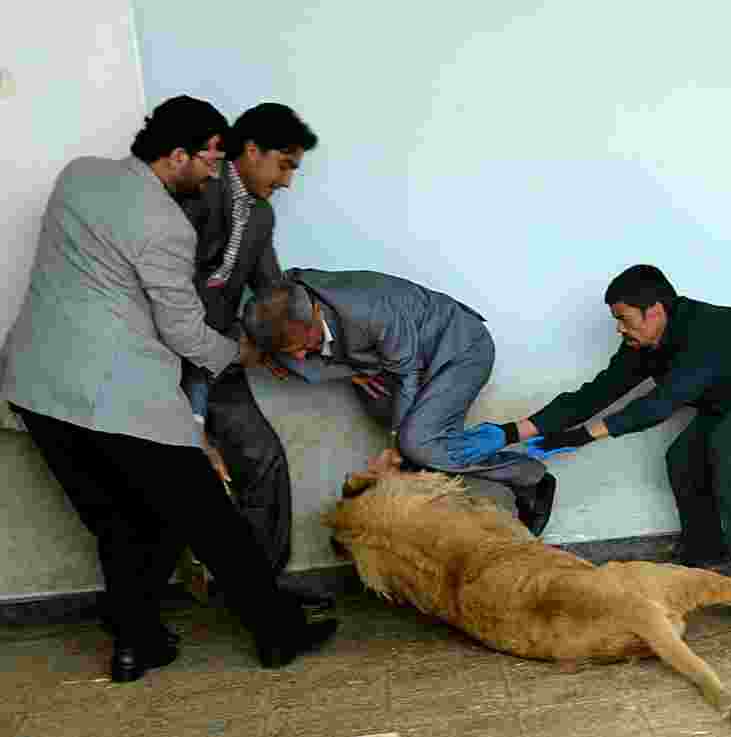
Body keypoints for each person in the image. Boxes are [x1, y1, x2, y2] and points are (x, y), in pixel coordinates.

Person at [1, 96, 336, 682]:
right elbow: (181, 327)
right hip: (117, 392)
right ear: (177, 155)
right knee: (213, 520)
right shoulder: (166, 225)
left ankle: (137, 644)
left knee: (122, 522)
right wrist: (241, 355)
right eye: (209, 157)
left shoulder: (78, 176)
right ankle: (277, 632)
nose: (215, 168)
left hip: (36, 387)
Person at [451, 264, 731, 583]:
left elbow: (658, 406)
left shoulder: (705, 335)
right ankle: (706, 552)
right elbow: (595, 394)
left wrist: (582, 436)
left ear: (656, 311)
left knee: (726, 443)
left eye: (624, 319)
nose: (619, 329)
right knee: (683, 456)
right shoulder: (643, 346)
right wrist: (509, 432)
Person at [240, 270, 557, 535]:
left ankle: (531, 479)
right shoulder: (287, 298)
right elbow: (282, 351)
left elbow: (408, 375)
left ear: (314, 316)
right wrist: (351, 373)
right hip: (394, 363)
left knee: (415, 444)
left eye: (301, 346)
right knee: (416, 448)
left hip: (457, 352)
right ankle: (435, 496)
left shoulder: (372, 311)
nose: (297, 356)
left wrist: (395, 444)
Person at [175, 103, 331, 608]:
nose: (287, 180)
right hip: (157, 357)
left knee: (261, 457)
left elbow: (270, 291)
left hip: (218, 357)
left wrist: (311, 344)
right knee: (165, 472)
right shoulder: (193, 190)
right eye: (284, 164)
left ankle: (263, 587)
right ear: (251, 150)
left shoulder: (261, 215)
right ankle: (148, 601)